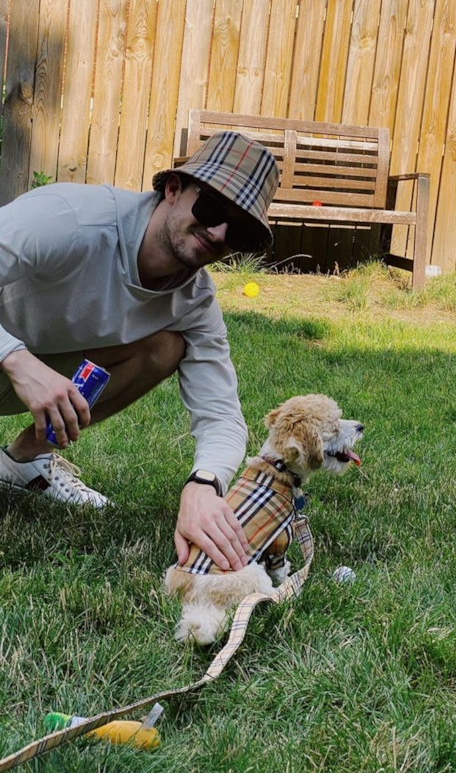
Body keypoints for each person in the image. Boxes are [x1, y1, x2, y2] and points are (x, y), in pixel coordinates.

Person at [0, 130, 280, 573]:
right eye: (211, 209)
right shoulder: (71, 217)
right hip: (14, 366)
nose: (218, 232)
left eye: (240, 231)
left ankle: (23, 462)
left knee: (166, 346)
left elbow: (223, 417)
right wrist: (16, 360)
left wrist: (204, 484)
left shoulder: (195, 303)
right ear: (173, 189)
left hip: (30, 380)